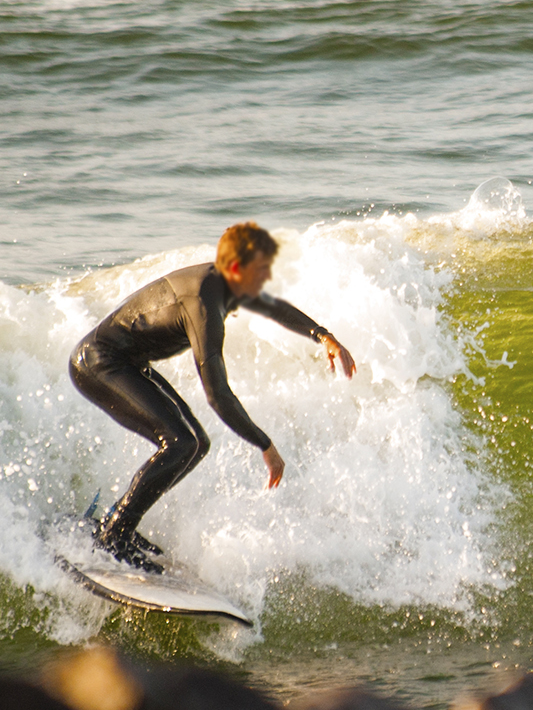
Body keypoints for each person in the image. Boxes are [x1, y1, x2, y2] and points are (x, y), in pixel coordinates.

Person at [68, 222, 355, 572]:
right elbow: (217, 395)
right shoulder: (204, 303)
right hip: (98, 363)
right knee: (178, 443)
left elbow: (275, 307)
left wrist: (323, 336)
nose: (265, 279)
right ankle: (114, 535)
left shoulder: (229, 284)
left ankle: (120, 522)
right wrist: (265, 445)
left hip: (126, 362)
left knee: (195, 443)